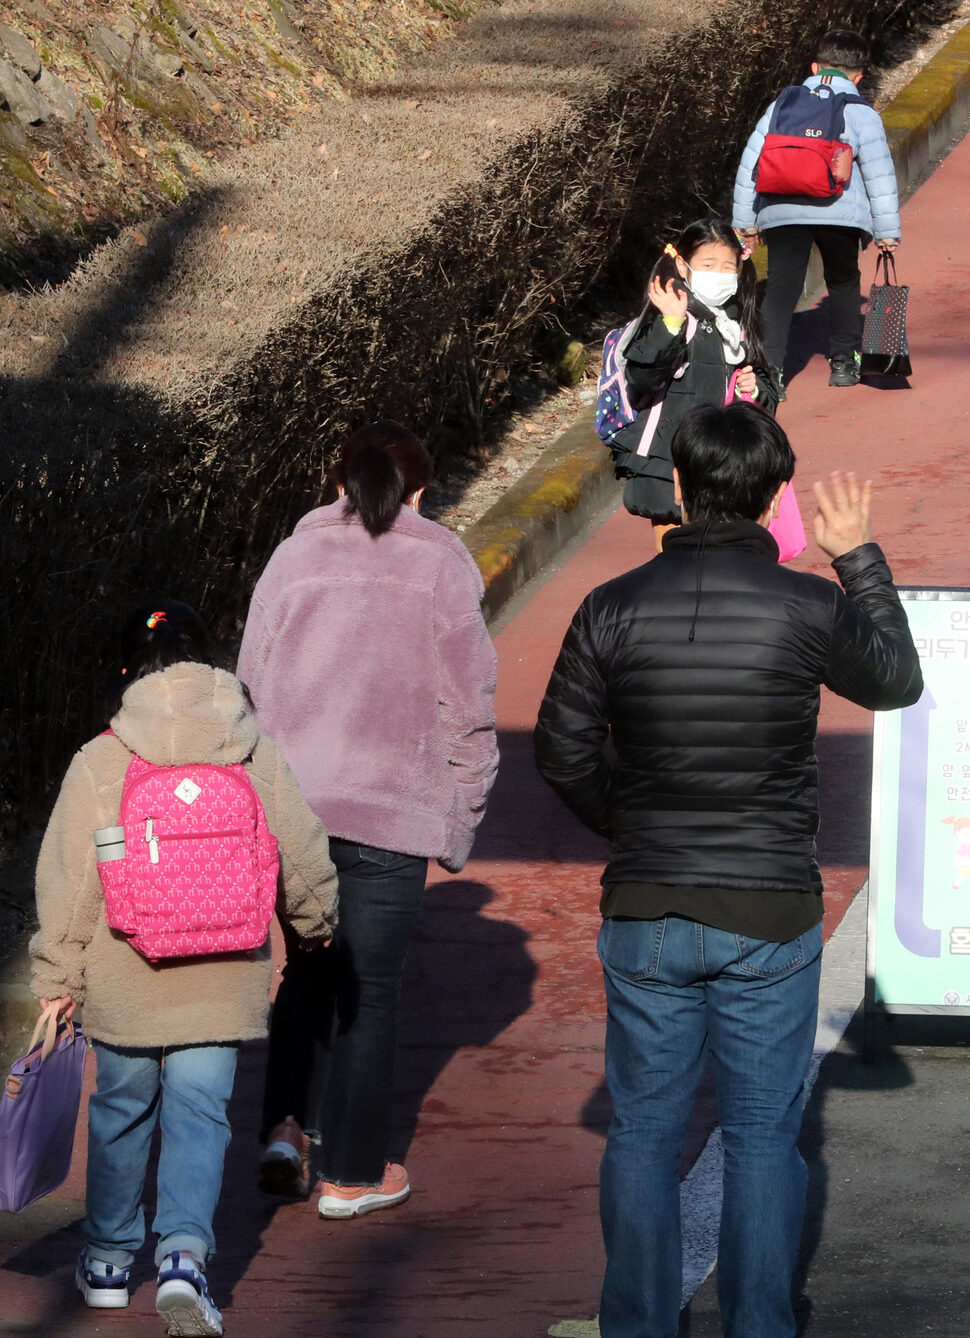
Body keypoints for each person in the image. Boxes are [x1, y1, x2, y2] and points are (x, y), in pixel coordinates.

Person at [534, 403, 922, 1338]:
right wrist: (856, 556)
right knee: (761, 1138)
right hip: (769, 904)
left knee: (642, 1134)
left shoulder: (611, 607)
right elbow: (895, 680)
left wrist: (630, 825)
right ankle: (760, 1323)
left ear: (681, 486)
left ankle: (636, 1324)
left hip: (648, 902)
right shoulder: (807, 604)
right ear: (775, 493)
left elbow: (561, 749)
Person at [30, 600, 339, 1338]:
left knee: (119, 1113)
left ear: (132, 672)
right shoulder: (250, 749)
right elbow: (299, 849)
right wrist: (317, 923)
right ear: (212, 664)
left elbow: (71, 881)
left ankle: (107, 1262)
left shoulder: (103, 757)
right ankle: (184, 1259)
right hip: (223, 973)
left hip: (124, 974)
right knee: (201, 1115)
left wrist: (59, 977)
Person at [237, 419, 498, 1217]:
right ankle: (354, 1173)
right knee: (372, 994)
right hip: (395, 811)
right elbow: (470, 708)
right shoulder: (443, 568)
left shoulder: (292, 558)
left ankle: (284, 1130)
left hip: (296, 809)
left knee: (306, 973)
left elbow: (249, 685)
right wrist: (460, 818)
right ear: (421, 490)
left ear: (338, 479)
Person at [732, 28, 901, 395]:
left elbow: (751, 163)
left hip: (782, 210)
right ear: (859, 76)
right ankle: (843, 363)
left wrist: (745, 221)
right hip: (839, 213)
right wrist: (887, 230)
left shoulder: (782, 105)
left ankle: (770, 372)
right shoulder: (860, 111)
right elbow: (879, 172)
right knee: (842, 282)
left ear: (814, 66)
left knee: (781, 289)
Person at [604, 218, 777, 550]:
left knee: (721, 566)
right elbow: (643, 377)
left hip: (724, 464)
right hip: (670, 464)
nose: (720, 274)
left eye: (728, 266)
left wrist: (754, 389)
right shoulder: (670, 313)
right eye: (708, 265)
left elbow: (766, 388)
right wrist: (670, 322)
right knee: (676, 563)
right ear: (683, 266)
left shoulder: (736, 320)